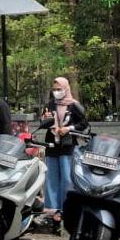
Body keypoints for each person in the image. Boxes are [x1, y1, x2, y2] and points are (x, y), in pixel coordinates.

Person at [42, 77, 87, 225]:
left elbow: (83, 124)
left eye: (59, 89)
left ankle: (66, 208)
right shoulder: (50, 105)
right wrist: (46, 120)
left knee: (67, 179)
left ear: (66, 89)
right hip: (52, 145)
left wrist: (68, 128)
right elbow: (43, 121)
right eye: (54, 89)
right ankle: (52, 210)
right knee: (51, 179)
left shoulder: (74, 105)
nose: (56, 92)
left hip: (68, 146)